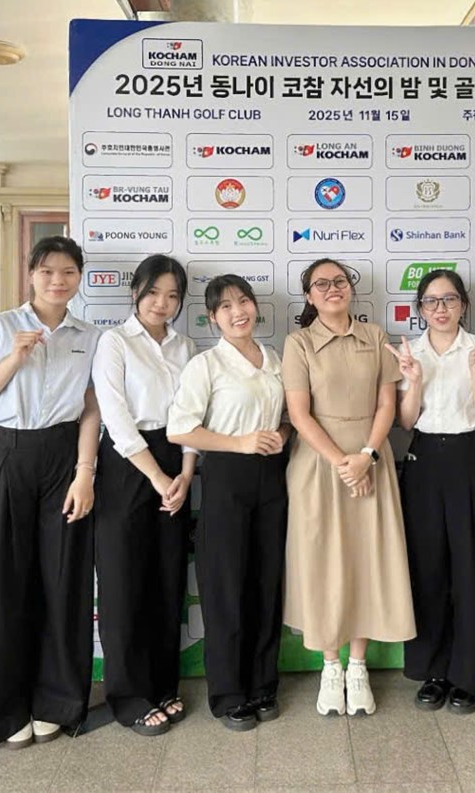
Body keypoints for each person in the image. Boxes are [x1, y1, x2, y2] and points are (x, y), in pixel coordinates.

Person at [0, 236, 101, 749]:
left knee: (63, 581)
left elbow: (90, 408)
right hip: (5, 454)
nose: (57, 281)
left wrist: (85, 473)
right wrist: (13, 359)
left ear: (79, 278)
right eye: (47, 271)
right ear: (32, 274)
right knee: (1, 581)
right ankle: (3, 711)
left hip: (63, 456)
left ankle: (57, 701)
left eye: (68, 272)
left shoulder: (89, 336)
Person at [281, 258, 416, 717]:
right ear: (309, 296)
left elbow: (386, 405)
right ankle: (330, 665)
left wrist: (367, 457)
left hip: (371, 459)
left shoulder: (375, 337)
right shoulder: (298, 343)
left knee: (365, 559)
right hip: (319, 465)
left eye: (339, 281)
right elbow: (298, 414)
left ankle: (358, 666)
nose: (332, 289)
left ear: (350, 289)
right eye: (321, 284)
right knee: (322, 561)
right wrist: (342, 462)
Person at [168, 275, 290, 732]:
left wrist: (282, 434)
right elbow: (180, 429)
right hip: (226, 477)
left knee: (266, 582)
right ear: (212, 317)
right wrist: (239, 443)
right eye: (225, 306)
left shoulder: (274, 359)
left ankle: (263, 683)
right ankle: (228, 693)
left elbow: (286, 416)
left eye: (244, 301)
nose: (238, 311)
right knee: (226, 588)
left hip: (273, 476)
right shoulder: (206, 365)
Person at [388, 269, 475, 715]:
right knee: (428, 569)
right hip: (424, 464)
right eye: (431, 301)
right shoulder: (410, 353)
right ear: (420, 309)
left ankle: (469, 675)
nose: (440, 308)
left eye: (449, 299)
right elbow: (405, 422)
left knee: (473, 570)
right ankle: (432, 672)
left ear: (463, 305)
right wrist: (414, 380)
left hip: (473, 459)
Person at [91, 255, 196, 736]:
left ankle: (162, 684)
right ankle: (129, 696)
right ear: (135, 291)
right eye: (153, 292)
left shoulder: (184, 345)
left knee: (166, 578)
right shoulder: (114, 342)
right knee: (124, 582)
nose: (162, 303)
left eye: (172, 295)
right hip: (128, 465)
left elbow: (192, 413)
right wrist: (156, 477)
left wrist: (186, 473)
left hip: (176, 459)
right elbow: (114, 417)